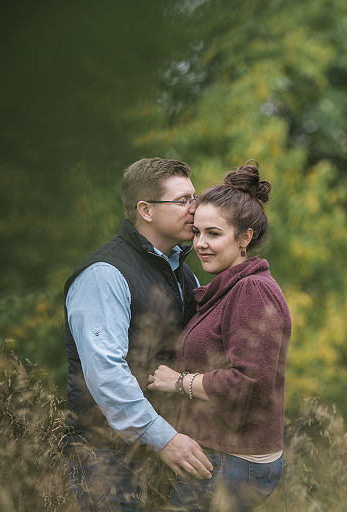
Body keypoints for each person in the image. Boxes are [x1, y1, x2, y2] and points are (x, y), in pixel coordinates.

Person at [64, 157, 214, 511]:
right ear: (146, 210)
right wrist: (165, 439)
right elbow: (106, 374)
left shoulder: (183, 272)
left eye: (195, 197)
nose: (196, 209)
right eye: (183, 201)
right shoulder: (104, 275)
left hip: (163, 451)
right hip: (107, 456)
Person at [148, 160, 291, 512]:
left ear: (245, 238)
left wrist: (180, 382)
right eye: (197, 232)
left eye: (213, 234)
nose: (200, 244)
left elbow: (250, 382)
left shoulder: (251, 291)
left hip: (233, 461)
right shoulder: (229, 288)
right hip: (222, 456)